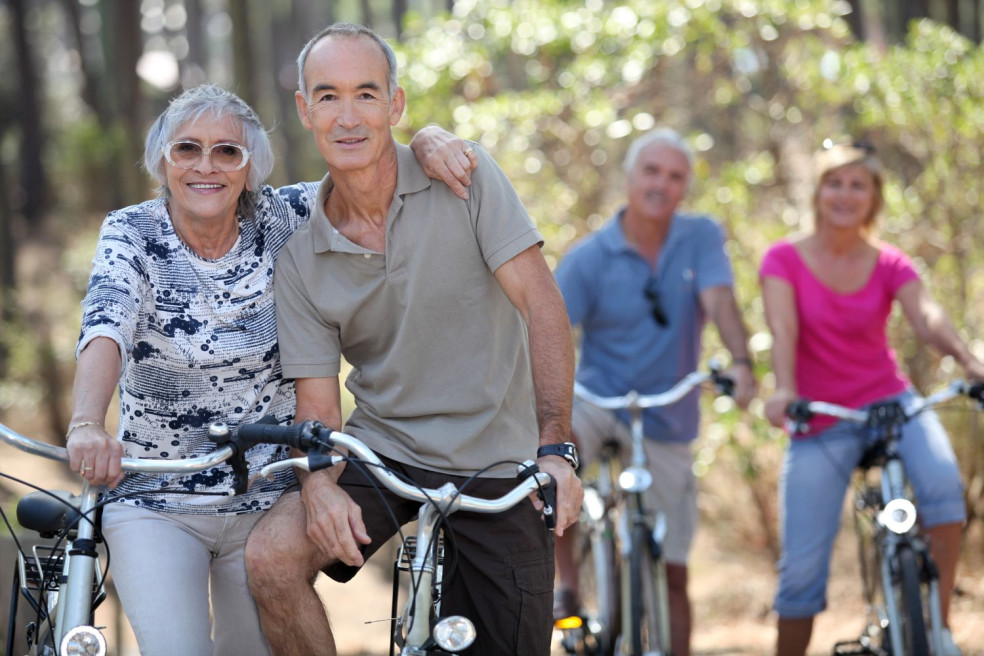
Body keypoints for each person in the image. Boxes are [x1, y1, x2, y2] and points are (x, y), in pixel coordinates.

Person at [64, 83, 476, 656]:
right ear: (162, 159)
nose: (206, 166)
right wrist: (87, 420)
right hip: (157, 498)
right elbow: (106, 323)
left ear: (251, 165)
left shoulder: (287, 216)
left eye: (227, 151)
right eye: (187, 149)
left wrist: (429, 140)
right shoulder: (132, 232)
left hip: (266, 497)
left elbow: (371, 173)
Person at [243, 22, 582, 656]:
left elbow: (543, 306)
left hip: (498, 457)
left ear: (395, 105)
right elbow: (318, 405)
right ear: (304, 109)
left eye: (366, 94)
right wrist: (318, 487)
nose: (348, 117)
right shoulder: (299, 258)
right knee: (270, 559)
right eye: (328, 96)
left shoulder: (465, 178)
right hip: (384, 451)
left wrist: (556, 447)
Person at [760, 141, 982, 656]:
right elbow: (783, 329)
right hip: (820, 416)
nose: (845, 193)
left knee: (945, 497)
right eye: (834, 182)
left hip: (891, 403)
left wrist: (971, 363)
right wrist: (786, 389)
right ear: (817, 192)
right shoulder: (784, 259)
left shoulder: (889, 262)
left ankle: (937, 627)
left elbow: (925, 315)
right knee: (800, 576)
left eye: (858, 184)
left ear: (874, 197)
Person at [552, 127, 757, 656]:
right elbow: (548, 334)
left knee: (674, 573)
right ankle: (566, 583)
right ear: (629, 178)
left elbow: (721, 302)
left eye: (675, 176)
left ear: (685, 187)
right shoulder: (589, 258)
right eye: (652, 171)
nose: (662, 184)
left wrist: (740, 362)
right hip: (599, 400)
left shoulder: (701, 237)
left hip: (668, 412)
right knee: (558, 449)